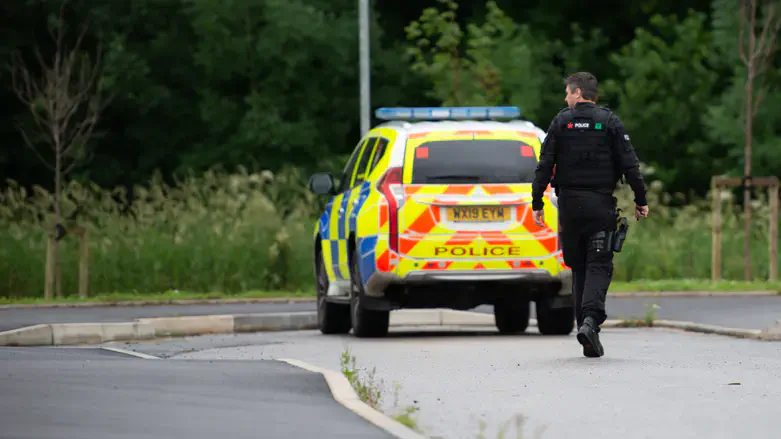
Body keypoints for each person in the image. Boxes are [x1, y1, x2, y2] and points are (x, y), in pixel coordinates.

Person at [531, 72, 649, 358]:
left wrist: (537, 202)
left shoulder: (561, 122)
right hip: (599, 206)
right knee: (599, 263)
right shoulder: (609, 122)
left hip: (570, 208)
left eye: (569, 93)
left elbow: (544, 164)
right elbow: (630, 164)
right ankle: (590, 322)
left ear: (579, 93)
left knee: (580, 266)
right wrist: (640, 199)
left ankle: (583, 327)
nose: (566, 98)